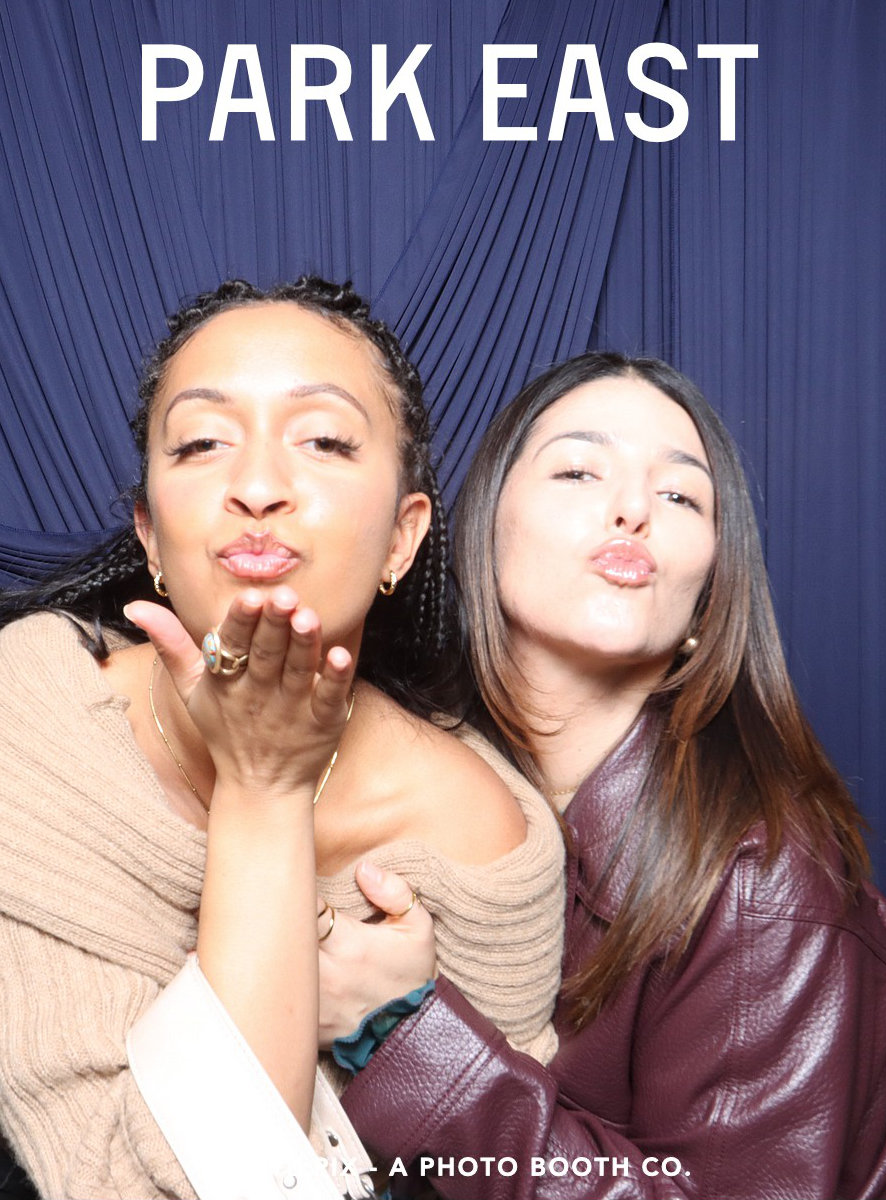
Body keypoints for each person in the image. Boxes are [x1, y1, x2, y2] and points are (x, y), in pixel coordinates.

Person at [0, 278, 565, 1200]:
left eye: (324, 441)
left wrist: (403, 1028)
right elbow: (118, 1184)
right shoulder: (31, 714)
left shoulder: (476, 835)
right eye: (202, 443)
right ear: (150, 535)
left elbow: (509, 1175)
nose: (257, 488)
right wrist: (264, 789)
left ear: (402, 538)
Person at [321, 352, 886, 1200]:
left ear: (709, 592)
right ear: (483, 527)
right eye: (579, 471)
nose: (634, 509)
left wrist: (402, 1034)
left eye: (681, 496)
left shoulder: (763, 878)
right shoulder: (406, 767)